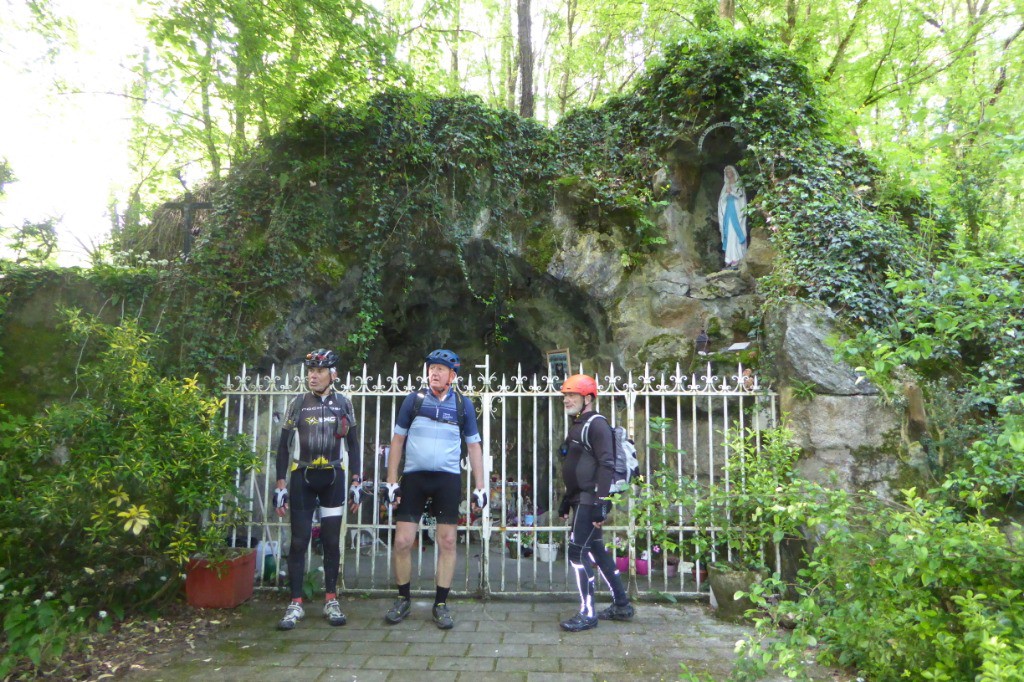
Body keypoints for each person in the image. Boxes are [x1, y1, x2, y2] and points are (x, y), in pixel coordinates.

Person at [382, 349, 487, 629]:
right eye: (431, 368)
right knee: (403, 541)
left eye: (441, 369)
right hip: (415, 477)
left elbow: (474, 446)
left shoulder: (463, 405)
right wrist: (391, 481)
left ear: (453, 375)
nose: (434, 373)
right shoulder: (413, 401)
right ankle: (403, 598)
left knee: (448, 542)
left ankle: (440, 603)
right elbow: (397, 441)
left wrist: (480, 486)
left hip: (447, 479)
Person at [274, 348, 362, 631]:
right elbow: (282, 446)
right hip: (303, 476)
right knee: (299, 541)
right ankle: (295, 602)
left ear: (332, 374)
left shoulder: (344, 404)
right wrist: (280, 484)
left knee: (331, 541)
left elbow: (355, 445)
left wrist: (357, 481)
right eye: (310, 370)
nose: (313, 375)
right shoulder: (298, 403)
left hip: (333, 478)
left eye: (319, 370)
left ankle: (331, 599)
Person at [555, 374, 634, 632]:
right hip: (581, 498)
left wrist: (602, 502)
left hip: (591, 500)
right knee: (597, 550)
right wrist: (567, 500)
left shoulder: (597, 424)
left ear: (587, 398)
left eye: (572, 396)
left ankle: (588, 613)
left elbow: (606, 464)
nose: (566, 400)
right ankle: (621, 605)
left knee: (577, 552)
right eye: (565, 396)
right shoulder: (578, 424)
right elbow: (576, 466)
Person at [718, 165, 747, 268]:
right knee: (729, 234)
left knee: (735, 234)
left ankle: (737, 257)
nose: (727, 173)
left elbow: (741, 197)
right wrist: (727, 193)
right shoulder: (725, 186)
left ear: (733, 172)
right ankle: (729, 258)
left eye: (729, 171)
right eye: (726, 172)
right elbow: (722, 200)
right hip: (728, 213)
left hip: (736, 213)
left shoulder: (739, 184)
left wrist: (732, 192)